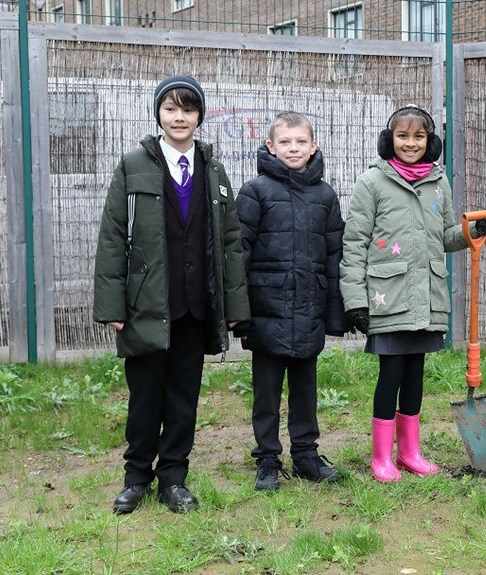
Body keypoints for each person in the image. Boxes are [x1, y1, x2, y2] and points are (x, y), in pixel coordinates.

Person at [93, 74, 250, 514]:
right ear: (158, 114)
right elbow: (112, 237)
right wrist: (111, 304)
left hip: (194, 308)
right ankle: (136, 477)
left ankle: (173, 479)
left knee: (183, 397)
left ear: (200, 116)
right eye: (170, 109)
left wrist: (235, 308)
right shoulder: (132, 166)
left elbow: (231, 243)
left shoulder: (214, 170)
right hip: (146, 306)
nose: (179, 117)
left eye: (188, 109)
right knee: (145, 397)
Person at [340, 105, 486, 483]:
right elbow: (354, 244)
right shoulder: (372, 183)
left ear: (431, 143)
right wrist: (356, 300)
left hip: (425, 298)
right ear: (388, 140)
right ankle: (381, 457)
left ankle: (409, 452)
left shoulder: (438, 183)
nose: (410, 143)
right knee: (390, 374)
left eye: (419, 137)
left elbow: (445, 235)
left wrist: (471, 234)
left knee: (415, 375)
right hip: (388, 298)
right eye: (402, 136)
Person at [235, 111, 346, 491]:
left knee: (305, 390)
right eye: (285, 142)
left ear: (313, 146)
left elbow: (334, 257)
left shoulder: (325, 196)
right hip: (267, 313)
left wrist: (335, 314)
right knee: (266, 392)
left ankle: (306, 456)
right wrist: (240, 313)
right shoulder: (255, 192)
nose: (293, 148)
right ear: (271, 146)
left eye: (301, 141)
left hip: (309, 310)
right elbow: (239, 254)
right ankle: (267, 458)